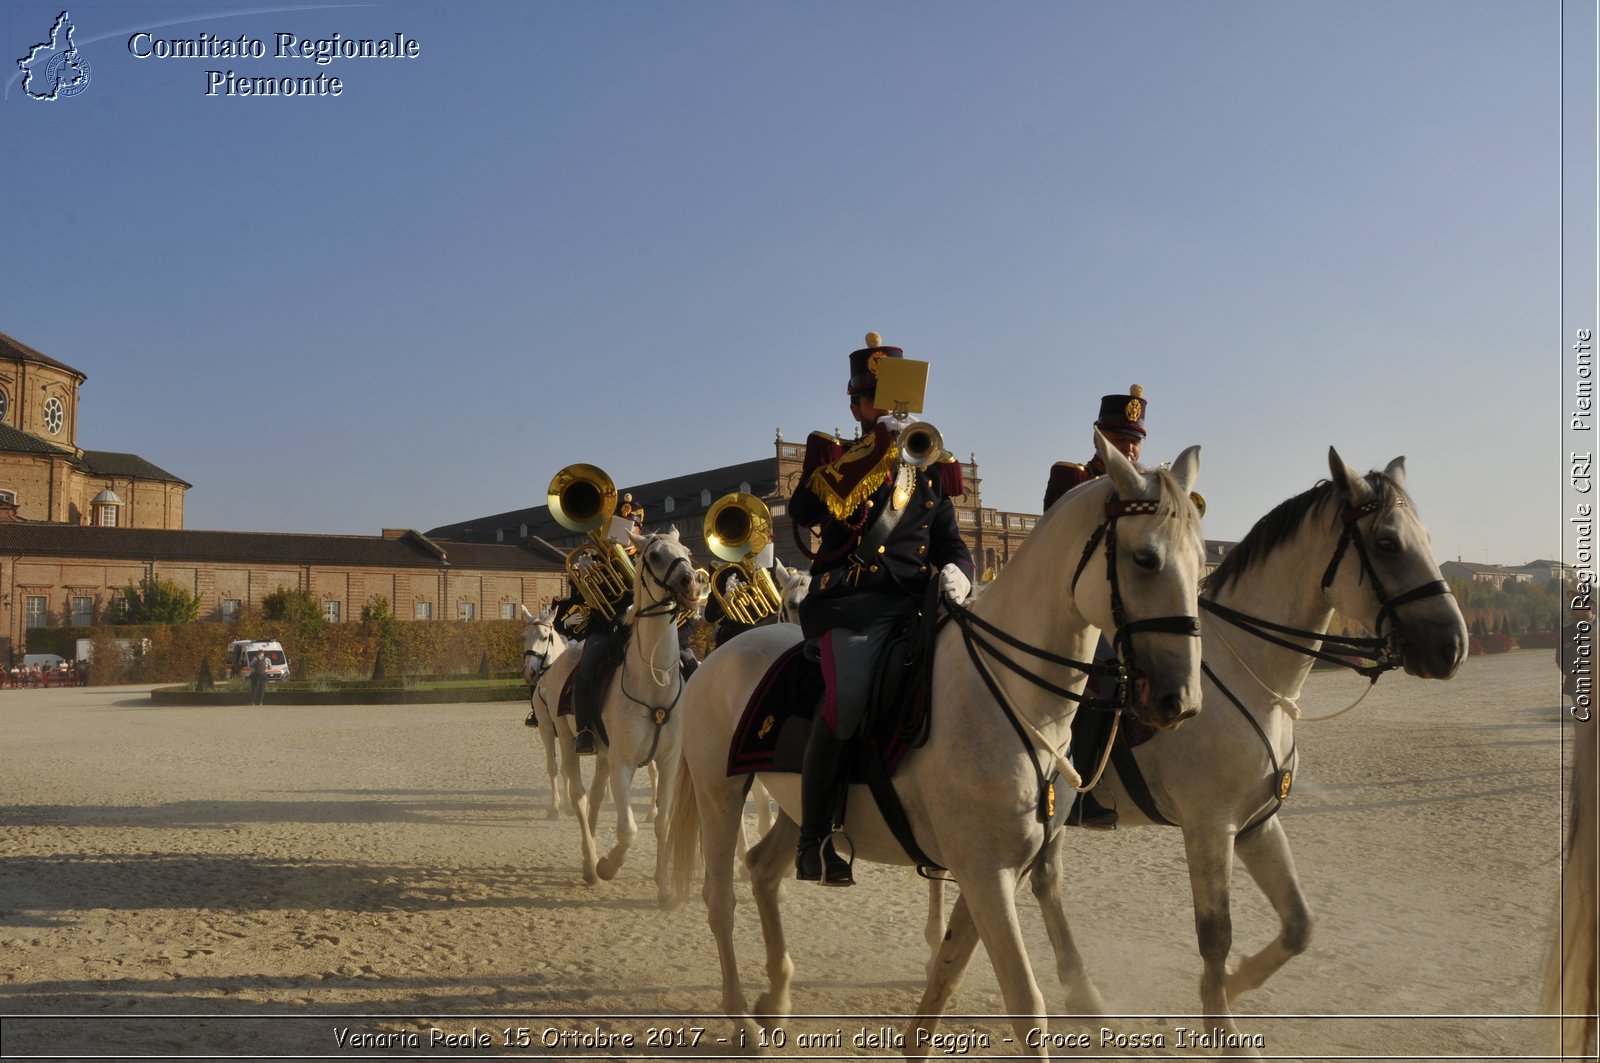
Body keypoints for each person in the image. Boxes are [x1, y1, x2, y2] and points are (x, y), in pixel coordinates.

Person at [788, 332, 974, 886]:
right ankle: (813, 838)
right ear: (857, 405)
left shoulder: (928, 470)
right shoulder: (837, 457)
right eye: (877, 398)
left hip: (917, 607)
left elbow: (950, 542)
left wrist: (960, 572)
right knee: (845, 699)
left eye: (897, 400)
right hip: (850, 605)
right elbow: (803, 509)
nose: (890, 409)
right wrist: (871, 452)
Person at [1042, 384, 1150, 830]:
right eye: (1121, 437)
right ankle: (1082, 788)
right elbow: (1059, 534)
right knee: (1104, 675)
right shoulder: (1072, 477)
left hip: (1123, 608)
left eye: (1136, 438)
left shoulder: (1147, 486)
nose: (1131, 446)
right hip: (1076, 608)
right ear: (1098, 439)